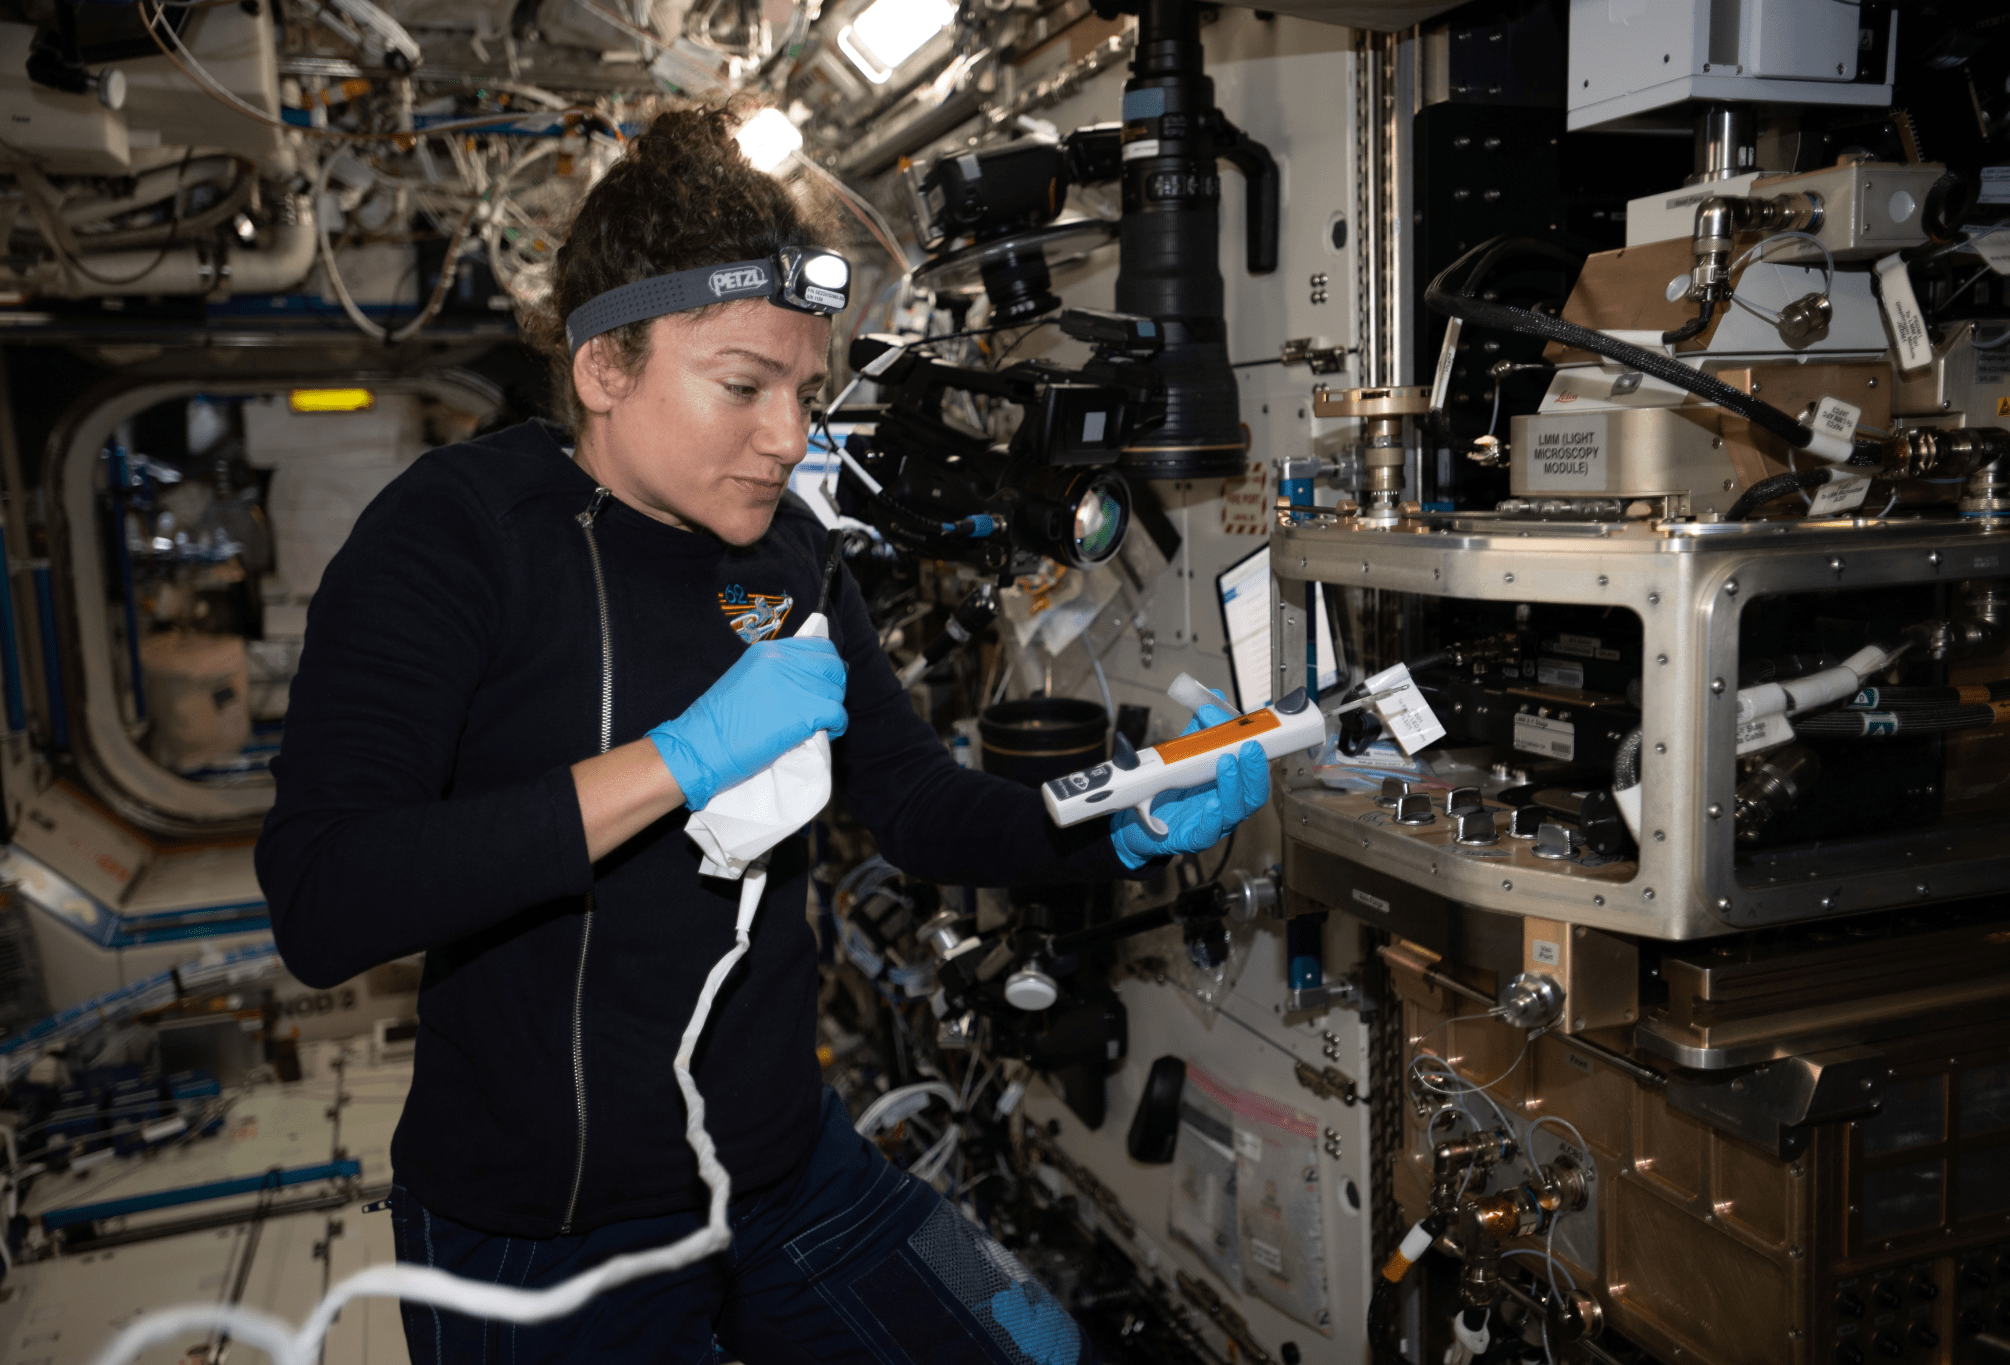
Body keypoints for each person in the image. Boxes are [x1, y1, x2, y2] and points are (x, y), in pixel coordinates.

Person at [255, 105, 1268, 1364]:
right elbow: (324, 900)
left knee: (1032, 1337)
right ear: (604, 369)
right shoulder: (454, 538)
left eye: (801, 390)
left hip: (794, 1167)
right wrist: (677, 762)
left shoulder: (791, 551)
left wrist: (1114, 822)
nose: (786, 437)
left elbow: (910, 801)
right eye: (741, 386)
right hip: (535, 1237)